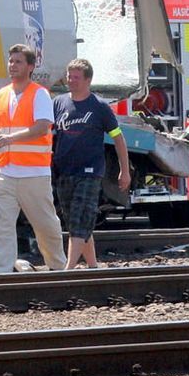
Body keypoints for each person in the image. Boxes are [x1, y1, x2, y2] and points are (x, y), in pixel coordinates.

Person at [0, 43, 66, 273]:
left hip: (34, 174)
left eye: (18, 62)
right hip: (4, 173)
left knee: (45, 226)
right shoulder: (1, 95)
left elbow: (41, 128)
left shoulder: (39, 94)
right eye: (11, 61)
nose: (12, 66)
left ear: (30, 66)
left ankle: (58, 270)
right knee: (2, 228)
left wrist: (11, 138)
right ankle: (1, 274)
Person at [51, 58, 131, 268]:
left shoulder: (100, 107)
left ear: (88, 80)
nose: (71, 81)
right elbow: (49, 135)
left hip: (90, 172)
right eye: (69, 76)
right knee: (77, 222)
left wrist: (124, 171)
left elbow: (118, 138)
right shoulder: (59, 103)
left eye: (76, 77)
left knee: (80, 219)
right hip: (64, 171)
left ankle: (68, 270)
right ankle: (93, 266)